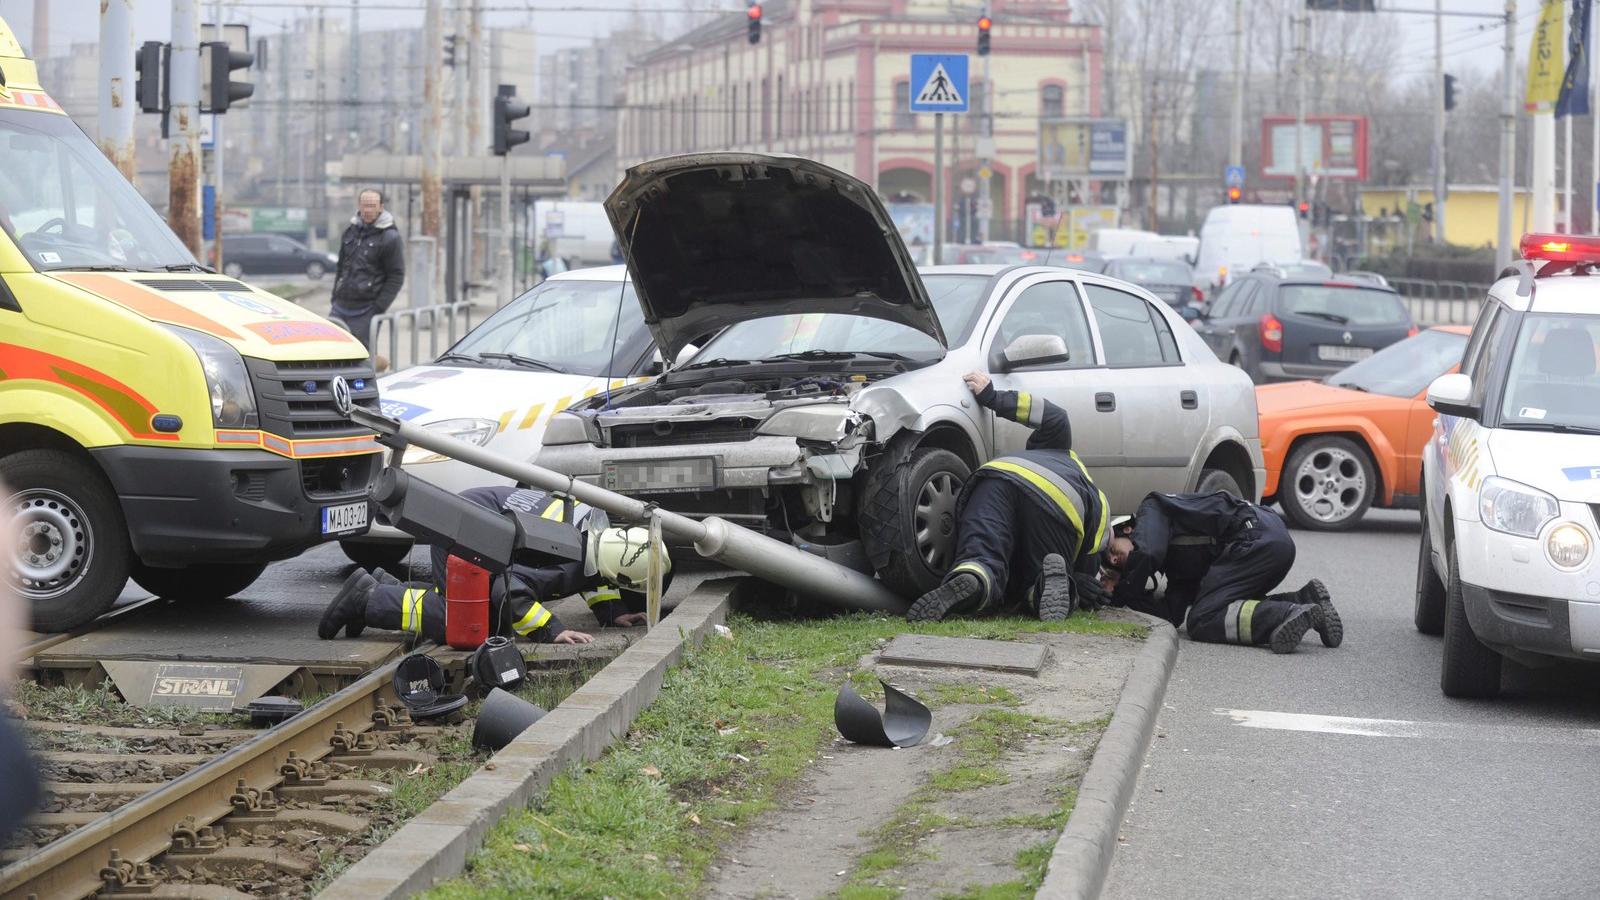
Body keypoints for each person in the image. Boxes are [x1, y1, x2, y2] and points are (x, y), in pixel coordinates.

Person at [319, 485, 671, 644]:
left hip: (473, 521)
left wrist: (611, 613)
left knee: (475, 610)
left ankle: (385, 587)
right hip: (465, 533)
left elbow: (594, 576)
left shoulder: (590, 530)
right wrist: (552, 630)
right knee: (467, 623)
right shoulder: (567, 560)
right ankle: (369, 601)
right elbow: (509, 590)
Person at [907, 371, 1112, 623]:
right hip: (1057, 499)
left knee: (981, 555)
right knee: (1038, 578)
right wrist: (1079, 580)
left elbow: (1054, 415)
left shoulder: (1055, 446)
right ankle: (1036, 589)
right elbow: (1090, 556)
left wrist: (991, 397)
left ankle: (973, 577)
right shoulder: (1098, 499)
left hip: (995, 480)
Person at [1100, 491, 1343, 654]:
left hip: (1253, 537)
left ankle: (1284, 615)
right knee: (1220, 608)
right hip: (1266, 542)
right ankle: (1305, 602)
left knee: (1202, 620)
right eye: (1111, 563)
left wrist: (1122, 590)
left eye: (1111, 550)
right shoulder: (1175, 563)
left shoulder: (1152, 508)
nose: (1113, 559)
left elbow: (1147, 553)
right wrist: (1119, 600)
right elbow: (1171, 615)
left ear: (1128, 529)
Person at [330, 188, 405, 352]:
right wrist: (334, 295)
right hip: (340, 306)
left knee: (361, 356)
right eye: (365, 205)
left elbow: (396, 276)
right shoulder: (350, 231)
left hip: (366, 310)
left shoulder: (390, 237)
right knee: (331, 351)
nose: (368, 210)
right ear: (359, 206)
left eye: (372, 205)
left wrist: (378, 307)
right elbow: (341, 266)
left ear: (381, 207)